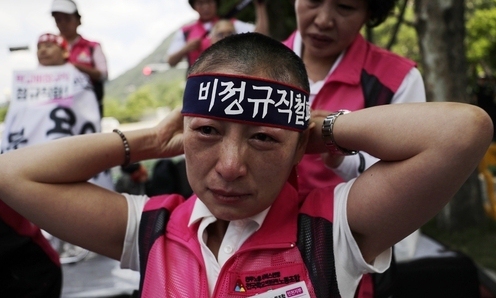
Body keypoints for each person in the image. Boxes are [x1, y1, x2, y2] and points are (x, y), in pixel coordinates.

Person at [0, 33, 492, 297]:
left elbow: (463, 131)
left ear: (298, 148)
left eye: (262, 140)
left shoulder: (333, 232)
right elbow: (12, 173)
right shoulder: (150, 230)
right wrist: (151, 137)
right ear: (184, 134)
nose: (231, 166)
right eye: (208, 133)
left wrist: (313, 127)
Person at [283, 2, 427, 294]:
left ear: (371, 13)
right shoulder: (252, 66)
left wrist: (336, 143)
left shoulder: (396, 80)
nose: (323, 20)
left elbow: (410, 181)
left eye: (345, 7)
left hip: (347, 256)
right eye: (312, 1)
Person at [167, 0, 269, 68]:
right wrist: (186, 48)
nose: (206, 7)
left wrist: (260, 7)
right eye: (201, 3)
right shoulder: (186, 31)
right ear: (194, 6)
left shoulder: (230, 24)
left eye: (209, 2)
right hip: (198, 82)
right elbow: (171, 62)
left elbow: (260, 37)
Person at [51, 0, 108, 118]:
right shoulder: (50, 49)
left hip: (88, 110)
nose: (63, 24)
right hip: (58, 111)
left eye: (67, 19)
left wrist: (76, 67)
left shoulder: (92, 46)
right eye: (58, 20)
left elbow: (103, 74)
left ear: (78, 20)